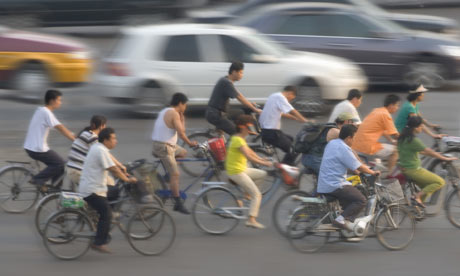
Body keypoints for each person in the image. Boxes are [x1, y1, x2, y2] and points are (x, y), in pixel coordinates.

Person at [78, 128, 139, 254]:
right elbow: (113, 169)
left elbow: (114, 166)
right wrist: (127, 180)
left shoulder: (99, 148)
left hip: (92, 186)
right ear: (105, 140)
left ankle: (100, 221)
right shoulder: (100, 151)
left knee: (114, 191)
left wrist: (123, 172)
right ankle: (98, 242)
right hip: (92, 190)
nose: (115, 141)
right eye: (113, 139)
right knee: (107, 214)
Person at [317, 124, 379, 230]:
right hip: (335, 184)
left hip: (324, 182)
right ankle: (340, 220)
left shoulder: (332, 143)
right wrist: (372, 173)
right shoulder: (344, 148)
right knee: (361, 200)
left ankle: (343, 219)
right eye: (354, 138)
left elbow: (348, 164)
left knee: (350, 198)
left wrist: (357, 171)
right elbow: (358, 166)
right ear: (349, 137)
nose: (354, 141)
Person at [152, 93, 197, 214]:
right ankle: (177, 203)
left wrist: (182, 119)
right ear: (181, 103)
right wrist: (190, 143)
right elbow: (182, 134)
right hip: (163, 147)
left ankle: (168, 176)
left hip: (165, 145)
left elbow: (181, 130)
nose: (186, 107)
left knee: (182, 152)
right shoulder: (173, 113)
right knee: (176, 174)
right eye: (185, 105)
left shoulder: (166, 110)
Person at [225, 115, 273, 229]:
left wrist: (261, 159)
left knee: (263, 174)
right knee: (257, 195)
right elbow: (249, 157)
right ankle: (251, 219)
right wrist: (264, 163)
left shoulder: (239, 138)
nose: (251, 130)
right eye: (249, 127)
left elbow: (250, 151)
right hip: (236, 172)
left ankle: (246, 196)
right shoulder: (237, 140)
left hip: (241, 169)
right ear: (242, 127)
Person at [397, 116, 456, 207]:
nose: (422, 128)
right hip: (414, 170)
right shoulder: (414, 140)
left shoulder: (403, 138)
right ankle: (416, 197)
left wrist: (437, 153)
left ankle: (416, 208)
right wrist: (445, 158)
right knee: (440, 182)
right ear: (416, 128)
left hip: (405, 169)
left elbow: (421, 151)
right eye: (421, 126)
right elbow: (428, 151)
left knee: (426, 188)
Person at [24, 89, 75, 188]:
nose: (60, 102)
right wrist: (74, 140)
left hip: (30, 147)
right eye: (59, 100)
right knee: (60, 164)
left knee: (58, 164)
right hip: (38, 149)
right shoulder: (46, 113)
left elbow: (59, 127)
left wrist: (72, 134)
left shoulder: (40, 110)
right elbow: (60, 128)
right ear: (52, 101)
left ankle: (55, 188)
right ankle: (38, 179)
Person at [66, 115, 128, 192]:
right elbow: (105, 154)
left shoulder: (85, 133)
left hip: (72, 169)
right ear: (102, 126)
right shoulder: (92, 137)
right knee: (109, 183)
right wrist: (120, 165)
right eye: (104, 125)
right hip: (78, 171)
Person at [206, 61, 262, 135]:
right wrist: (254, 109)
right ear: (234, 72)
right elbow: (239, 97)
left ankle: (238, 131)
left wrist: (250, 104)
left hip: (218, 112)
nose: (242, 75)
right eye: (241, 73)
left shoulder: (225, 79)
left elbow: (239, 95)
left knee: (240, 112)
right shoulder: (226, 82)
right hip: (215, 115)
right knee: (237, 134)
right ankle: (237, 137)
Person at [259, 86, 309, 165]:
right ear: (290, 93)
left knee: (292, 140)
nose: (290, 100)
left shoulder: (273, 96)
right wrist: (304, 120)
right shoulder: (280, 97)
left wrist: (294, 118)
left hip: (267, 130)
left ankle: (285, 165)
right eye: (291, 98)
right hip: (272, 133)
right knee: (295, 149)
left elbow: (280, 112)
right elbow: (292, 110)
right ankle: (284, 169)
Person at [352, 94, 401, 173]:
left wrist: (392, 141)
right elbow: (395, 134)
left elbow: (383, 130)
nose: (397, 108)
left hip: (356, 144)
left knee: (385, 148)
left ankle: (380, 168)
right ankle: (389, 175)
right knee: (396, 151)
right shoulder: (386, 115)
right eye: (397, 105)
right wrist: (407, 139)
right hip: (368, 147)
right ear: (391, 105)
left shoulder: (376, 110)